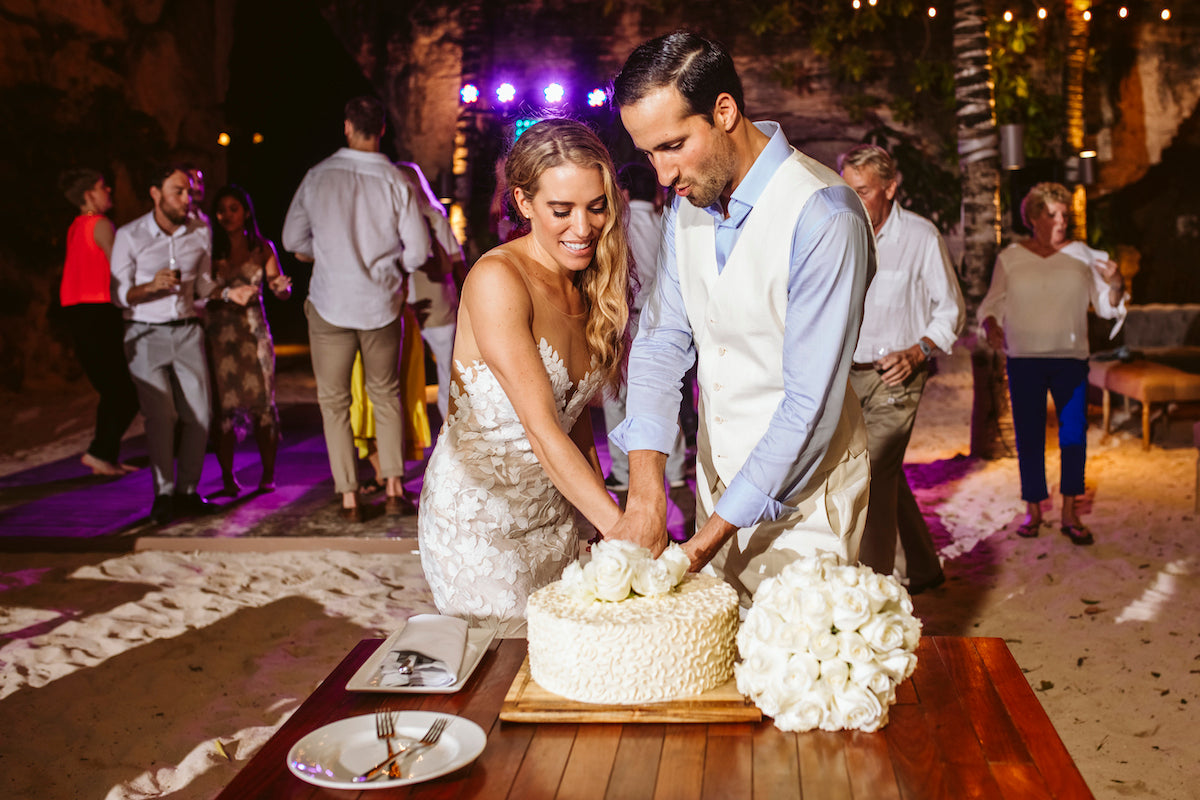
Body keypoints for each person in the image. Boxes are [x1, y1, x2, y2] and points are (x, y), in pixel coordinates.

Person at [607, 31, 874, 608]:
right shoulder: (687, 204)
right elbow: (659, 341)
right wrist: (648, 493)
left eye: (674, 145)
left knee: (797, 685)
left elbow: (809, 406)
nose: (662, 174)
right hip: (715, 493)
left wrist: (696, 548)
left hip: (807, 506)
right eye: (649, 152)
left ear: (724, 110)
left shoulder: (825, 215)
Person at [417, 118, 631, 635]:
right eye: (562, 210)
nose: (583, 228)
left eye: (596, 206)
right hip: (479, 525)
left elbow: (575, 419)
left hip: (555, 517)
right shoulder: (497, 279)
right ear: (524, 201)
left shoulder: (588, 285)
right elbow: (541, 429)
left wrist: (596, 523)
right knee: (502, 671)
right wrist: (623, 528)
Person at [282, 96, 431, 522]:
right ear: (381, 129)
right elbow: (418, 252)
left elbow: (293, 239)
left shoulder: (318, 177)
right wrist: (392, 267)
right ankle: (393, 488)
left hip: (330, 302)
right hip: (381, 303)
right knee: (386, 395)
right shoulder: (393, 179)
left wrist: (323, 254)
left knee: (334, 402)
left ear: (348, 126)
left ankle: (349, 497)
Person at [839, 144, 965, 593]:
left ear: (891, 188)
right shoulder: (843, 230)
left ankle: (874, 588)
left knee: (870, 471)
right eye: (847, 190)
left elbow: (950, 310)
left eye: (864, 191)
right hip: (848, 376)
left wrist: (919, 351)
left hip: (900, 375)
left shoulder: (921, 236)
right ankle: (925, 568)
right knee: (882, 472)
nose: (854, 200)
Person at [978, 182, 1127, 545]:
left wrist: (1118, 282)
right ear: (1032, 218)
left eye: (1065, 214)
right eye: (1052, 214)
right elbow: (991, 304)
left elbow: (1108, 306)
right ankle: (1033, 511)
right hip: (1023, 359)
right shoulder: (1010, 257)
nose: (1061, 220)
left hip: (1070, 359)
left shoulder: (1085, 255)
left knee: (1074, 435)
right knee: (1028, 436)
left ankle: (1070, 513)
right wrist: (990, 324)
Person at [110, 164, 255, 525]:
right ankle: (163, 493)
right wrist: (150, 287)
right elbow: (118, 296)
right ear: (156, 194)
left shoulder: (200, 228)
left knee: (199, 415)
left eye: (189, 191)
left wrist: (227, 292)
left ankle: (188, 491)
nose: (186, 199)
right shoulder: (130, 235)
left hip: (188, 329)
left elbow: (203, 285)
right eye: (178, 191)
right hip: (145, 332)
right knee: (161, 417)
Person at [601, 162, 687, 493]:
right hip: (662, 317)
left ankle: (623, 471)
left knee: (616, 395)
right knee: (663, 393)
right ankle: (676, 469)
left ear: (621, 190)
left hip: (625, 318)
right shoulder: (663, 221)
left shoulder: (619, 224)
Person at [205, 184, 293, 496]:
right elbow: (197, 290)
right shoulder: (209, 249)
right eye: (221, 210)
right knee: (225, 407)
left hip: (254, 332)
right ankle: (228, 477)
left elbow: (279, 289)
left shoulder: (263, 247)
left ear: (245, 212)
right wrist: (221, 293)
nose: (227, 215)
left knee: (262, 403)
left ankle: (268, 474)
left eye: (233, 208)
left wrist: (282, 288)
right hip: (220, 335)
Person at [57, 168, 141, 476]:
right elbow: (120, 266)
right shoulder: (100, 224)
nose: (109, 193)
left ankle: (104, 455)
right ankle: (100, 453)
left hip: (79, 313)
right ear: (88, 194)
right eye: (103, 187)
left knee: (113, 387)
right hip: (98, 310)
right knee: (125, 387)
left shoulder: (75, 227)